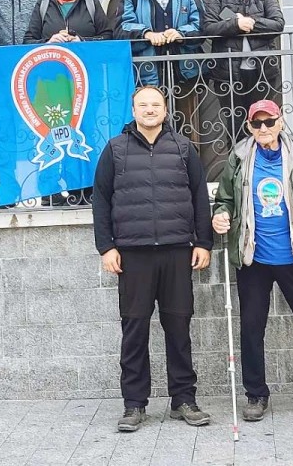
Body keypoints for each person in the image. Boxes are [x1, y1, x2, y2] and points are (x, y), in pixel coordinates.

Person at [92, 85, 214, 433]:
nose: (149, 110)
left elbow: (199, 197)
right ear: (133, 110)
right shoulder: (115, 150)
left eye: (155, 104)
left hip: (178, 251)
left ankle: (184, 400)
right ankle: (134, 404)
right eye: (143, 105)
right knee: (134, 330)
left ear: (165, 109)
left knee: (178, 328)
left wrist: (203, 242)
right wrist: (107, 247)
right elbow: (100, 201)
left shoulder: (183, 147)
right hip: (133, 254)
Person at [212, 99, 293, 423]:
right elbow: (224, 199)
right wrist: (221, 215)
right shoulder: (240, 157)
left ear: (280, 121)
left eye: (269, 122)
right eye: (257, 124)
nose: (264, 129)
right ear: (249, 127)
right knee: (252, 329)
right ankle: (256, 395)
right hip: (253, 257)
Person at [24, 0, 113, 206]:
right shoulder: (42, 6)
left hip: (83, 83)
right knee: (50, 132)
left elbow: (108, 36)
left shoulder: (91, 3)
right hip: (49, 84)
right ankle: (50, 192)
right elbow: (28, 41)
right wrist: (49, 41)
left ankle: (82, 190)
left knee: (82, 132)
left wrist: (81, 41)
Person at [117, 0, 205, 131]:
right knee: (148, 124)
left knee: (187, 127)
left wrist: (181, 33)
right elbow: (122, 28)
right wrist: (146, 33)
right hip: (146, 71)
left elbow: (201, 25)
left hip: (183, 70)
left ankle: (185, 162)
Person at [202, 0, 285, 146]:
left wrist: (251, 23)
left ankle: (262, 167)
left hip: (263, 70)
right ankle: (238, 171)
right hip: (228, 73)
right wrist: (234, 24)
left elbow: (278, 23)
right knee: (235, 126)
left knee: (262, 121)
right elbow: (209, 27)